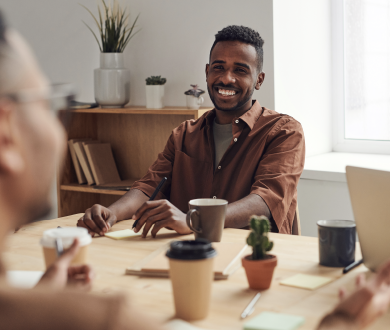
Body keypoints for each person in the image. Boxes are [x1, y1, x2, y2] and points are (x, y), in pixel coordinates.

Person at [0, 11, 162, 330]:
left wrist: (42, 299)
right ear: (5, 135)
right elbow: (146, 185)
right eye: (51, 104)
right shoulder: (107, 321)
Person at [78, 25, 306, 238]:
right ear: (207, 73)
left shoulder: (284, 132)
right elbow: (149, 187)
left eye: (240, 70)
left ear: (259, 80)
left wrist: (193, 220)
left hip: (251, 259)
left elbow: (266, 200)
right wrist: (112, 212)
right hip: (189, 252)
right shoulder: (183, 135)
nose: (227, 78)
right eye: (219, 68)